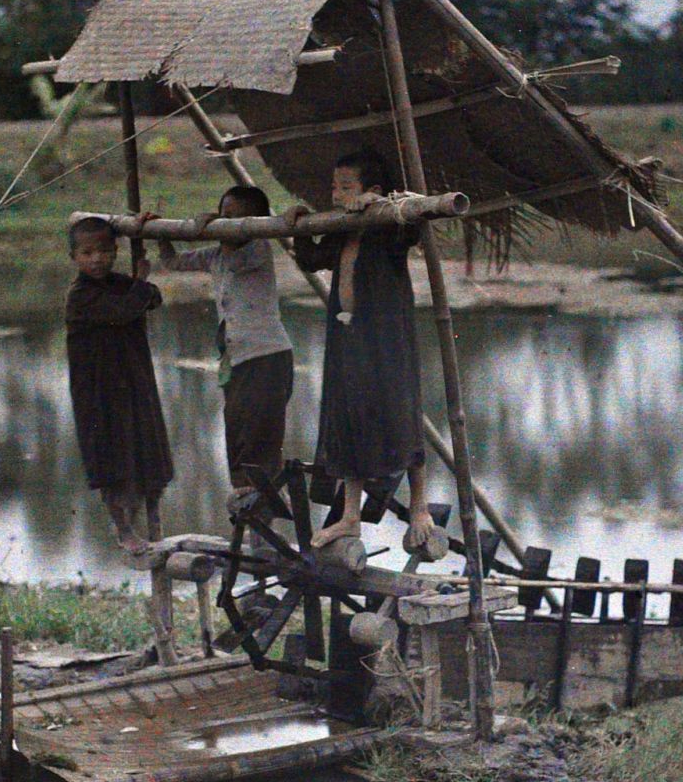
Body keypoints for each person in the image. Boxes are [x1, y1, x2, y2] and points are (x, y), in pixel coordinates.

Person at [291, 149, 435, 551]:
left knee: (400, 410)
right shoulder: (343, 227)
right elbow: (313, 258)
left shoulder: (388, 223)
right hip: (347, 334)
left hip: (385, 335)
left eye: (346, 187)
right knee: (349, 413)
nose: (337, 195)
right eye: (334, 187)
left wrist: (381, 205)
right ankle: (350, 516)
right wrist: (299, 226)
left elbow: (412, 229)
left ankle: (420, 506)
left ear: (370, 189)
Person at [155, 184, 305, 498]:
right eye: (224, 215)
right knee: (236, 428)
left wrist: (214, 228)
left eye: (235, 219)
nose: (227, 224)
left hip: (267, 356)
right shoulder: (216, 255)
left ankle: (263, 504)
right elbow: (173, 262)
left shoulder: (259, 248)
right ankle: (245, 499)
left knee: (260, 434)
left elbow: (236, 261)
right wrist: (160, 231)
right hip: (237, 360)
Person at [64, 214, 173, 554]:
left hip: (133, 383)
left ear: (115, 251)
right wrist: (140, 282)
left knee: (147, 452)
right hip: (100, 390)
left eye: (104, 251)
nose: (96, 259)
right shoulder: (80, 295)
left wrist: (140, 285)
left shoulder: (118, 283)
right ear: (74, 257)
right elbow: (124, 311)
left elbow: (154, 298)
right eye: (87, 253)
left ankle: (148, 518)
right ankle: (123, 528)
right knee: (112, 460)